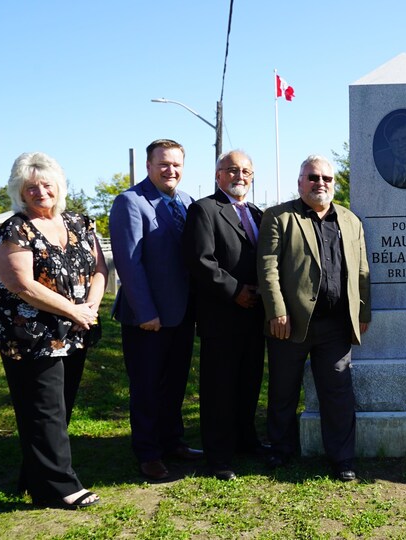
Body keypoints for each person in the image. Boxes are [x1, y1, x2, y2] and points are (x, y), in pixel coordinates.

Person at [0, 152, 107, 509]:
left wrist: (91, 307)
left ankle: (35, 478)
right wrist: (73, 310)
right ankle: (59, 488)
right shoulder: (16, 229)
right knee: (44, 409)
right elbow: (20, 283)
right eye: (31, 187)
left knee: (59, 406)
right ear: (20, 192)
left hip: (75, 328)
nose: (41, 192)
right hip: (30, 333)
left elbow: (100, 269)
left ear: (59, 186)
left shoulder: (80, 223)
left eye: (46, 184)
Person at [257, 154, 370, 482]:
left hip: (336, 324)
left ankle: (342, 458)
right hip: (291, 323)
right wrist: (277, 311)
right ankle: (281, 448)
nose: (320, 183)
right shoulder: (279, 217)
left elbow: (361, 270)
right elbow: (267, 267)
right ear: (300, 183)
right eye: (313, 177)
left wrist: (362, 311)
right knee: (283, 389)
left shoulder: (350, 220)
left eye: (326, 178)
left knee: (338, 393)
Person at [110, 139, 202, 481]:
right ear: (149, 166)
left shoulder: (187, 202)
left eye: (176, 164)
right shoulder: (130, 202)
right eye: (163, 164)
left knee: (175, 384)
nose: (170, 170)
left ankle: (172, 441)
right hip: (147, 318)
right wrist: (146, 311)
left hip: (182, 313)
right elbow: (129, 263)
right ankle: (148, 452)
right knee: (147, 387)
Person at [182, 150, 266, 481]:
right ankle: (218, 456)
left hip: (255, 315)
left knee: (249, 382)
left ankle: (246, 440)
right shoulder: (204, 210)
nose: (239, 176)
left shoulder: (257, 213)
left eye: (245, 171)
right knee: (220, 389)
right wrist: (235, 291)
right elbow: (200, 260)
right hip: (222, 316)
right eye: (232, 170)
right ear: (218, 175)